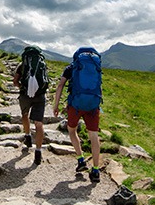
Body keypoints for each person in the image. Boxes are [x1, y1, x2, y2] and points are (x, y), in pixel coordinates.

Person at [53, 51, 102, 182]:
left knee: (72, 131)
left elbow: (60, 85)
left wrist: (56, 105)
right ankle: (96, 170)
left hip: (75, 106)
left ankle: (81, 160)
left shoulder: (71, 67)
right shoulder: (96, 66)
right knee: (94, 135)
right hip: (93, 105)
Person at [13, 48, 47, 166]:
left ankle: (27, 136)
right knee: (38, 123)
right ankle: (38, 151)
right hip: (40, 96)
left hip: (25, 95)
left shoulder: (22, 65)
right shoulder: (42, 64)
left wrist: (22, 88)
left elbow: (15, 81)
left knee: (25, 114)